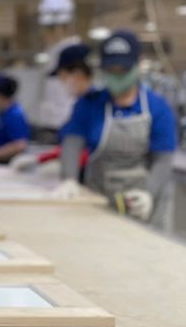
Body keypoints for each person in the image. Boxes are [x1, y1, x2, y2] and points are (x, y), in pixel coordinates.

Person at [53, 30, 178, 223]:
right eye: (111, 70)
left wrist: (148, 194)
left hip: (143, 202)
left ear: (138, 65)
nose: (116, 75)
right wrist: (69, 179)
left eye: (123, 70)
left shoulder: (157, 108)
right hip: (98, 200)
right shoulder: (90, 104)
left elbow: (163, 160)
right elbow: (71, 144)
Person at [13, 43, 95, 172]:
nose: (61, 82)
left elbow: (94, 150)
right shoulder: (81, 104)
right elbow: (70, 145)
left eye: (62, 77)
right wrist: (42, 158)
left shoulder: (95, 104)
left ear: (78, 74)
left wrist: (59, 163)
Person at [0, 73, 30, 165]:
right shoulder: (3, 113)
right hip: (0, 162)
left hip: (8, 165)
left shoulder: (15, 115)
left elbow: (20, 145)